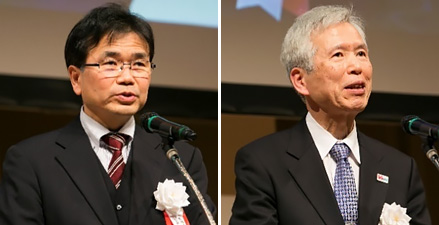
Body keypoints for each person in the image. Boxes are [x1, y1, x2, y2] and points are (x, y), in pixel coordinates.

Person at [0, 3, 215, 225]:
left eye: (139, 64)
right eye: (111, 63)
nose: (127, 77)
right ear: (76, 78)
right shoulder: (31, 161)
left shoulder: (180, 158)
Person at [230, 5, 431, 225]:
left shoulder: (400, 168)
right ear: (300, 80)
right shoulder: (263, 162)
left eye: (361, 53)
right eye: (338, 55)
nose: (356, 66)